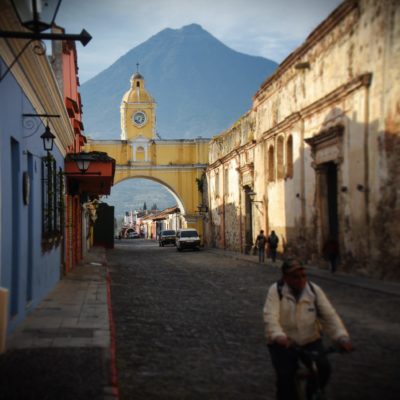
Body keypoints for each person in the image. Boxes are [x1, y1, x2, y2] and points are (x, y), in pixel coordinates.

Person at [263, 258, 352, 400]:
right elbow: (270, 317)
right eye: (295, 277)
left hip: (309, 339)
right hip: (284, 342)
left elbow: (330, 316)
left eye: (303, 276)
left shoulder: (313, 290)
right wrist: (278, 336)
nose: (301, 280)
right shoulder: (276, 290)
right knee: (286, 381)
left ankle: (311, 394)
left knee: (323, 368)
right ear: (286, 278)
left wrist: (341, 337)